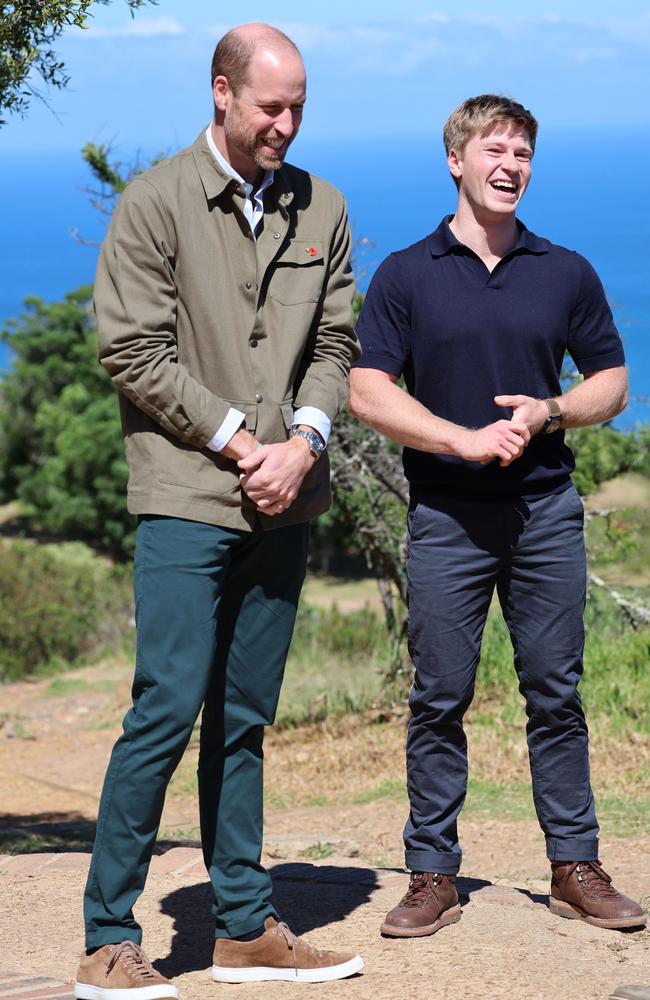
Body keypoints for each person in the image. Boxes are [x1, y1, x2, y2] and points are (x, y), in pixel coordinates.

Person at [74, 23, 364, 997]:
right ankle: (108, 937)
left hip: (287, 497)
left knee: (244, 719)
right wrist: (246, 444)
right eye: (270, 106)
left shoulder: (321, 204)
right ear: (220, 92)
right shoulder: (153, 203)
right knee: (164, 709)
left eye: (298, 109)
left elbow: (335, 340)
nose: (285, 124)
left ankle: (243, 928)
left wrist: (307, 441)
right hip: (185, 497)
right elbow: (130, 348)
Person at [349, 94, 647, 939]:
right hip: (447, 516)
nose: (511, 165)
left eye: (523, 153)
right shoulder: (407, 272)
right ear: (456, 160)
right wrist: (461, 440)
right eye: (495, 149)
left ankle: (575, 867)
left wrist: (548, 412)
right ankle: (432, 874)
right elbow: (367, 389)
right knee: (440, 696)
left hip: (545, 511)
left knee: (556, 693)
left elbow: (612, 382)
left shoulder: (566, 269)